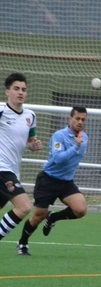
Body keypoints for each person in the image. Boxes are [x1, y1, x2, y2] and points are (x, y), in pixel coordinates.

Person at [16, 107, 88, 255]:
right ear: (70, 119)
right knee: (38, 216)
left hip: (66, 182)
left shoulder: (84, 138)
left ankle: (53, 217)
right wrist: (75, 146)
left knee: (80, 209)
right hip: (48, 180)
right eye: (77, 118)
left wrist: (77, 145)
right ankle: (22, 243)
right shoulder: (59, 136)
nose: (80, 122)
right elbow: (58, 159)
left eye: (83, 119)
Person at [0, 72, 43, 247]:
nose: (20, 92)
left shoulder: (30, 116)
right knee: (24, 207)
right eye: (16, 88)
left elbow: (29, 141)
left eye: (23, 89)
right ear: (7, 92)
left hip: (13, 170)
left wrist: (33, 145)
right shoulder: (1, 111)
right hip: (2, 169)